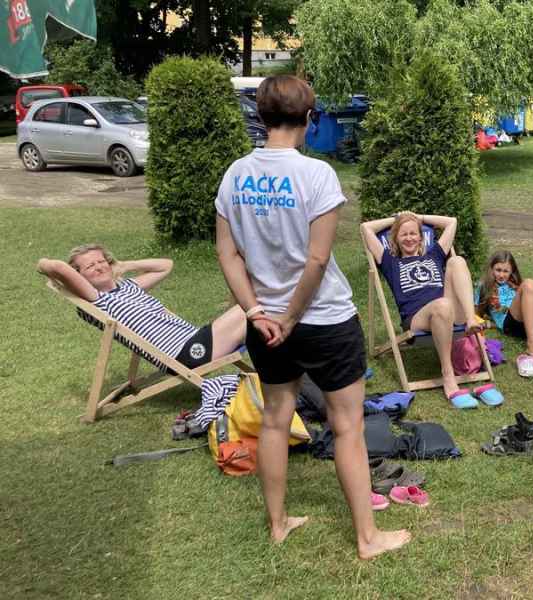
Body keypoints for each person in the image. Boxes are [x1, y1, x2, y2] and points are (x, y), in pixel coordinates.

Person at [215, 74, 409, 558]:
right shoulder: (317, 174)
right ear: (307, 117)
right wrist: (289, 317)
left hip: (264, 325)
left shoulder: (235, 174)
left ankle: (278, 524)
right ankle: (367, 538)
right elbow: (317, 260)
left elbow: (228, 254)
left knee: (275, 421)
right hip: (324, 321)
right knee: (347, 426)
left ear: (261, 116)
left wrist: (256, 312)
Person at [38, 243, 246, 369]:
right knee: (253, 306)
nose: (99, 267)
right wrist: (43, 264)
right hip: (187, 353)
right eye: (90, 266)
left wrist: (125, 265)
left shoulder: (129, 286)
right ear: (79, 276)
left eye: (101, 261)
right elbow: (58, 267)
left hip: (197, 338)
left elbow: (166, 265)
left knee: (256, 309)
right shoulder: (97, 300)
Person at [360, 211, 489, 408]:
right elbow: (366, 228)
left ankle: (471, 319)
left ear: (421, 237)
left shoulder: (434, 255)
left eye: (413, 233)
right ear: (396, 239)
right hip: (417, 318)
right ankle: (448, 375)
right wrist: (398, 218)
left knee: (457, 261)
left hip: (449, 313)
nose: (409, 238)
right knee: (442, 305)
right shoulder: (390, 262)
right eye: (404, 234)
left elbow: (452, 222)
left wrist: (418, 217)